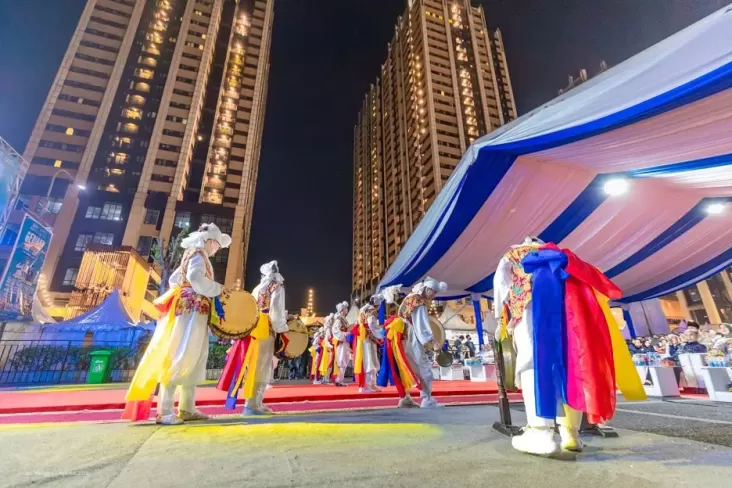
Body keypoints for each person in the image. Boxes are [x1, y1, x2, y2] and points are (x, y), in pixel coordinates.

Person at [123, 223, 230, 425]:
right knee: (181, 354)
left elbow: (175, 280)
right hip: (190, 311)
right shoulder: (198, 255)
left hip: (193, 310)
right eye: (216, 244)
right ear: (208, 241)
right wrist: (217, 288)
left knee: (193, 356)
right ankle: (165, 410)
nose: (217, 248)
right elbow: (194, 278)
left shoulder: (195, 255)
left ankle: (187, 408)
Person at [217, 261, 289, 415]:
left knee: (254, 365)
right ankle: (252, 404)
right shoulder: (277, 287)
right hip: (265, 328)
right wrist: (282, 329)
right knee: (262, 366)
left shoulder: (258, 288)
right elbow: (276, 312)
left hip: (253, 327)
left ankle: (255, 403)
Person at [385, 277, 446, 409]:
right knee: (424, 367)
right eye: (433, 292)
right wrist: (432, 341)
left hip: (401, 336)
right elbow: (421, 324)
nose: (434, 296)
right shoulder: (419, 301)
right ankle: (427, 399)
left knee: (405, 366)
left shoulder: (411, 297)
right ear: (427, 289)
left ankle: (405, 398)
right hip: (410, 335)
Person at [331, 302, 352, 386]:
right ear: (342, 310)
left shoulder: (343, 319)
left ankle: (340, 379)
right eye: (345, 308)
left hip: (345, 342)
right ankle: (338, 379)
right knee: (341, 360)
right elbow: (335, 330)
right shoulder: (339, 319)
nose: (347, 310)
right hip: (342, 342)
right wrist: (344, 334)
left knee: (344, 360)